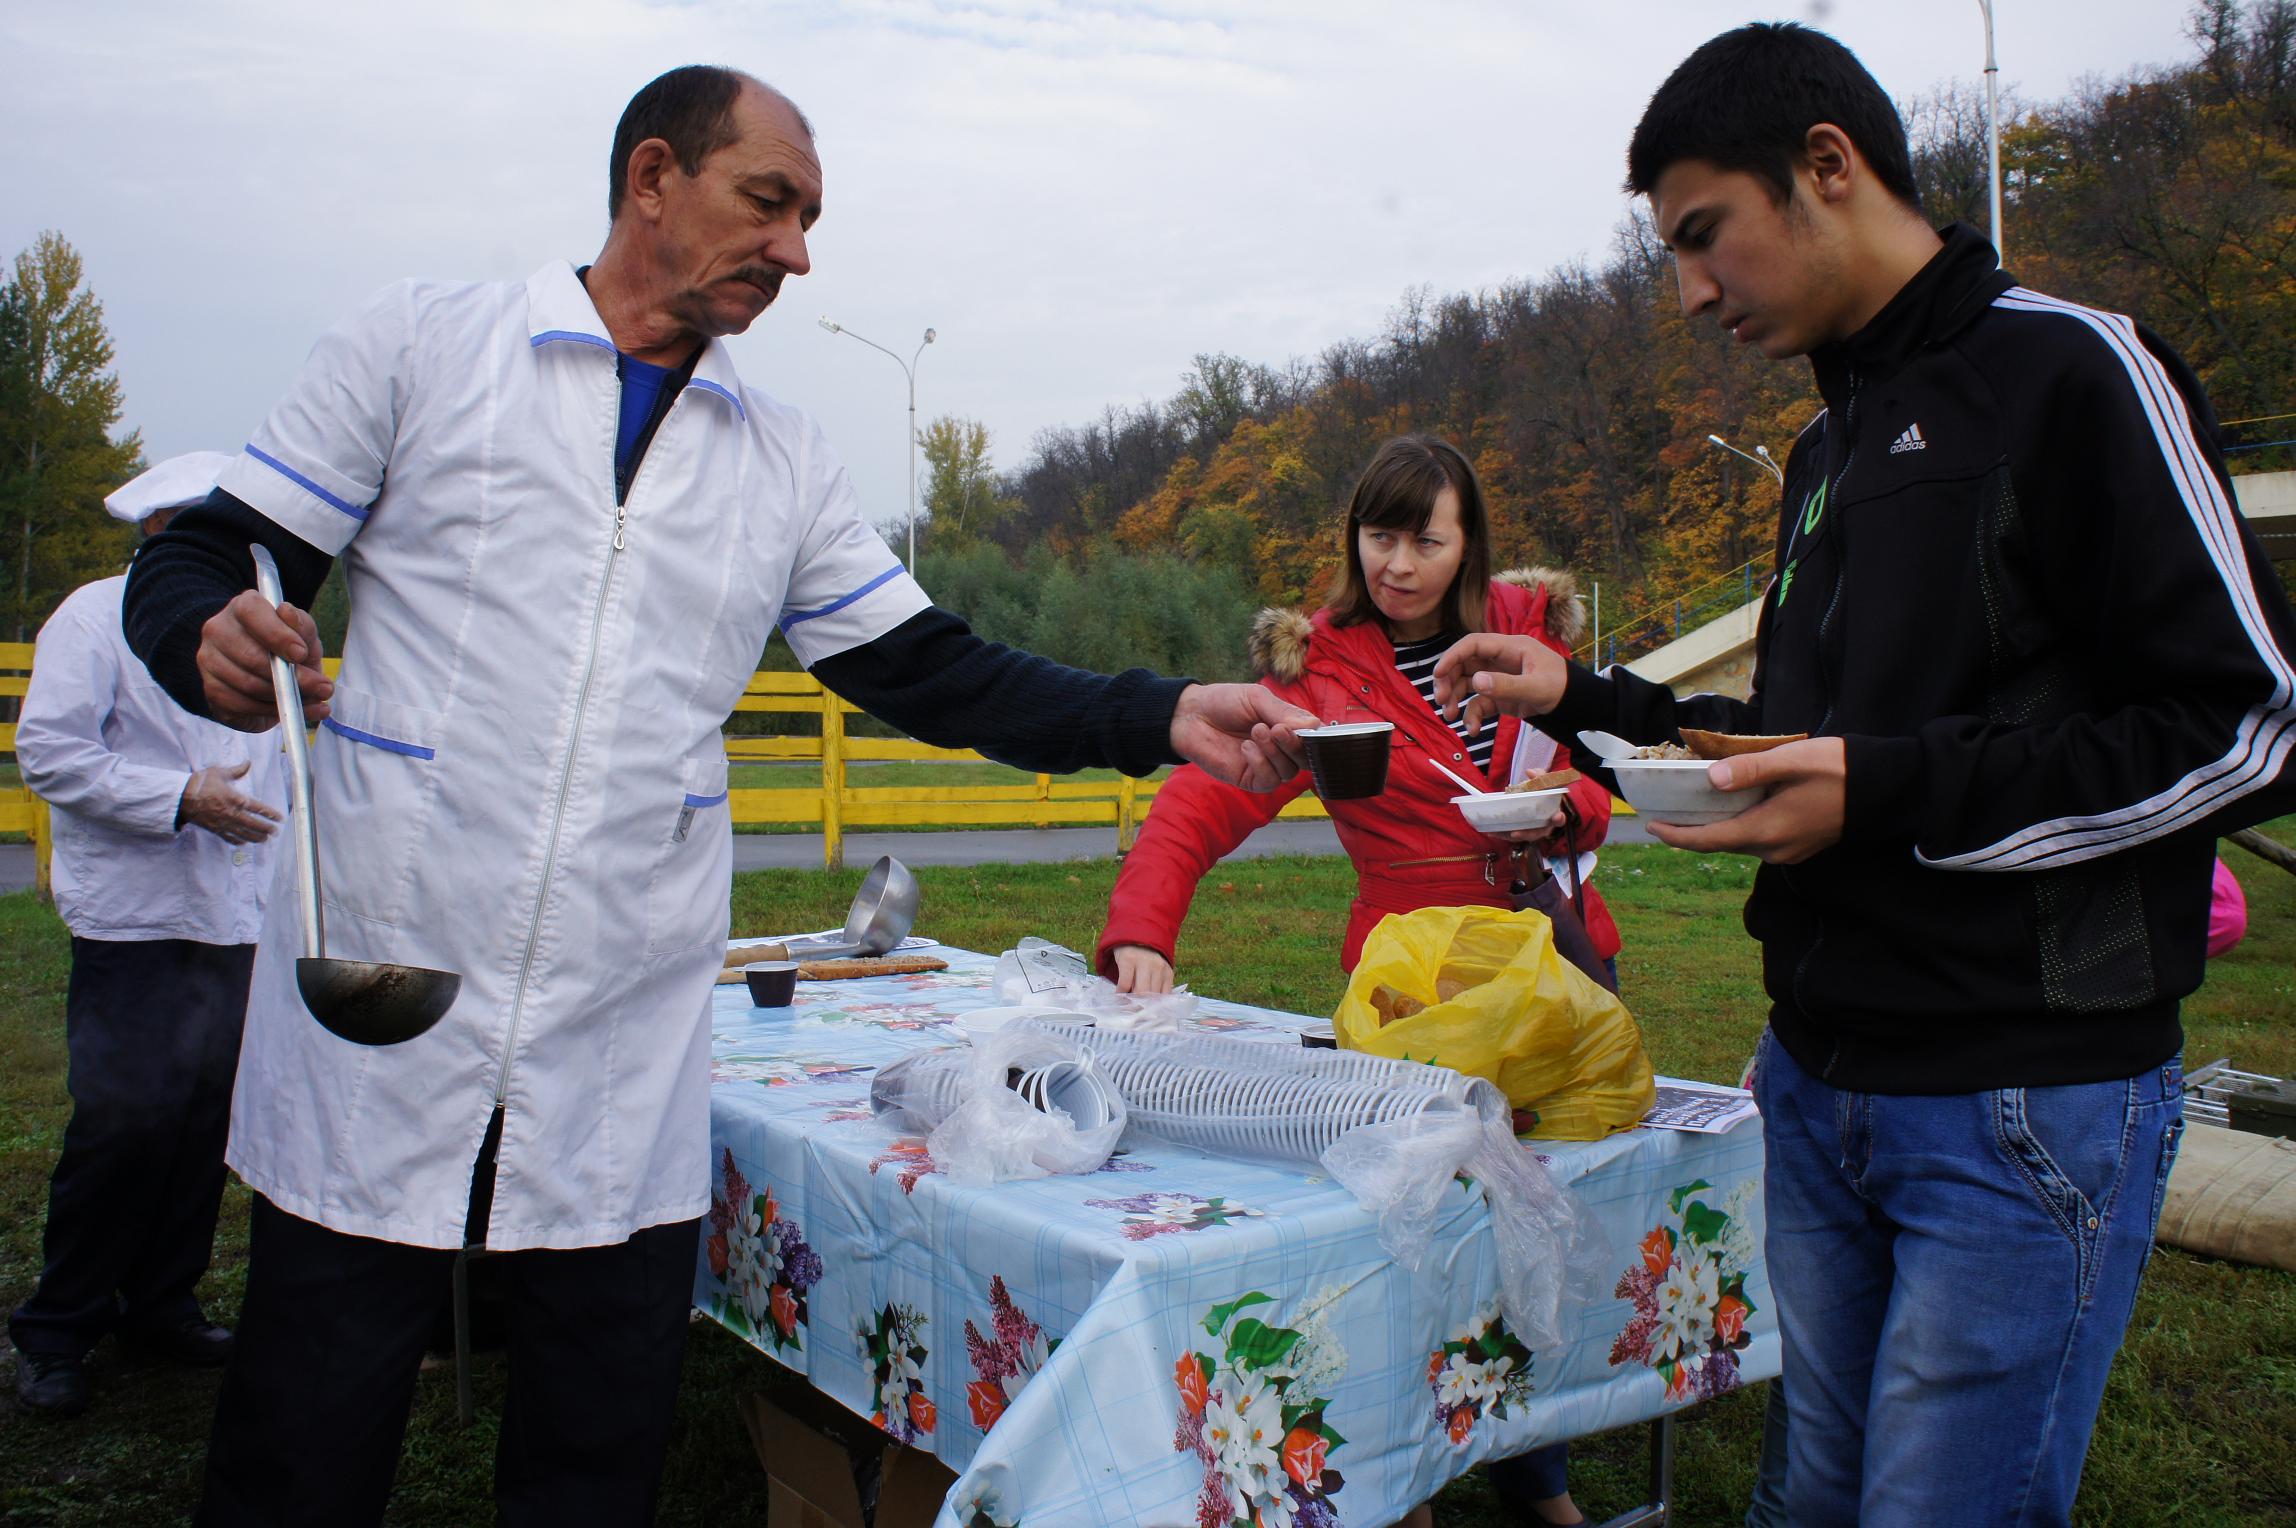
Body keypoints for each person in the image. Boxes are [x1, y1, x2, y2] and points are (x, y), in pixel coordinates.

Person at [118, 67, 1314, 1525]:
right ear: (652, 177)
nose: (798, 251)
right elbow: (211, 557)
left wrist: (1160, 713)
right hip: (397, 980)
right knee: (304, 1440)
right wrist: (205, 637)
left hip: (620, 1027)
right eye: (771, 202)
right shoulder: (426, 349)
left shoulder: (784, 460)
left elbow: (934, 670)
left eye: (810, 220)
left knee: (591, 1458)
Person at [1434, 23, 2296, 1526]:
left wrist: (1887, 789)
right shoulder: (1826, 447)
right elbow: (1808, 738)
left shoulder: (2074, 368)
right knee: (1803, 1502)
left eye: (1705, 236)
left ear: (1826, 165)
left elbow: (2250, 721)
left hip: (2020, 1104)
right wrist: (1588, 698)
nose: (1690, 292)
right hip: (1822, 1084)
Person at [1097, 434, 1611, 1528]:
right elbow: (1203, 800)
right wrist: (1142, 927)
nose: (1399, 562)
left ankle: (1537, 1477)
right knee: (1420, 1222)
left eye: (1425, 538)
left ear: (1467, 540)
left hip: (1549, 965)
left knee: (1543, 1209)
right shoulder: (1318, 669)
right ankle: (1400, 1479)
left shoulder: (1528, 634)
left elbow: (1597, 758)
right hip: (1412, 995)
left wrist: (1574, 803)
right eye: (1380, 536)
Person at [9, 453, 284, 1417]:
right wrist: (179, 797)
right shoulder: (92, 615)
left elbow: (282, 760)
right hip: (137, 919)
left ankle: (161, 1304)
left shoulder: (261, 629)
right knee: (124, 1125)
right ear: (163, 537)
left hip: (240, 918)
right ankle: (58, 1329)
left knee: (206, 1121)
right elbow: (49, 750)